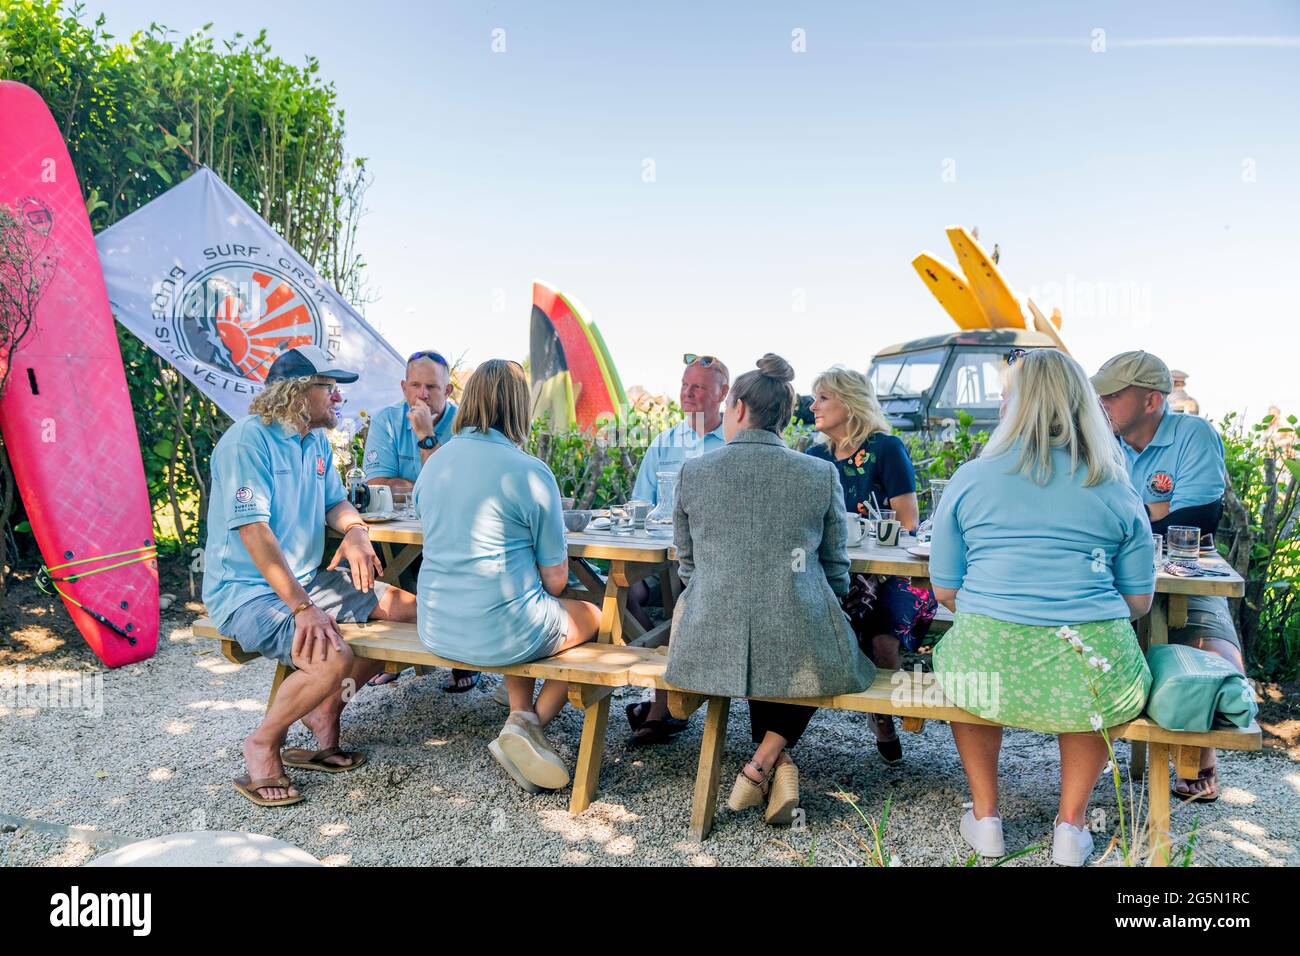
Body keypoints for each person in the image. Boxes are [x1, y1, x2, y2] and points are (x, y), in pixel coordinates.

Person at [928, 348, 1155, 865]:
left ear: (1013, 404)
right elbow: (1138, 601)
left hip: (989, 658)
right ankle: (1071, 828)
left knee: (970, 664)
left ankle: (986, 818)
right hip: (1087, 661)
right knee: (1090, 685)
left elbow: (944, 591)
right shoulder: (1117, 487)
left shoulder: (971, 478)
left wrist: (1003, 610)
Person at [203, 345, 419, 807]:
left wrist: (357, 531)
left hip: (305, 581)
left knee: (408, 613)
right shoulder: (247, 441)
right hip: (248, 593)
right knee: (332, 657)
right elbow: (254, 531)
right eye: (329, 387)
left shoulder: (316, 440)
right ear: (297, 392)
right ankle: (263, 743)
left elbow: (334, 503)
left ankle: (324, 711)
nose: (338, 398)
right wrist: (303, 607)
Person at [665, 354, 876, 826]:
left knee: (775, 643)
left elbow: (688, 564)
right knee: (805, 643)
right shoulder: (818, 474)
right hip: (794, 635)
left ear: (737, 408)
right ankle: (770, 761)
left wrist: (723, 593)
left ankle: (765, 764)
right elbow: (836, 567)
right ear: (785, 417)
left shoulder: (693, 473)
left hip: (705, 640)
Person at [414, 359, 601, 792]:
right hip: (503, 631)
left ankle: (522, 719)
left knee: (520, 599)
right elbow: (555, 581)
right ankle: (526, 724)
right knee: (596, 617)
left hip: (437, 626)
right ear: (519, 408)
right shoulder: (530, 471)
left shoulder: (434, 465)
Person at [1092, 350, 1239, 801]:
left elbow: (1195, 523)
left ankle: (1198, 754)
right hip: (1112, 572)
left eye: (1112, 396)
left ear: (1151, 401)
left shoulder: (1193, 434)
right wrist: (1153, 513)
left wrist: (1129, 516)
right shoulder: (1098, 438)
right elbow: (1086, 516)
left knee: (1211, 649)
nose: (1101, 406)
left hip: (1186, 575)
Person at [806, 366, 938, 764]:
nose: (813, 406)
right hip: (841, 570)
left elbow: (909, 522)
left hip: (895, 571)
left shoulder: (886, 449)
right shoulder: (814, 458)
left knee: (881, 636)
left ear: (849, 402)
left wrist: (872, 559)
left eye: (822, 398)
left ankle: (884, 718)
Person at [624, 353, 730, 744]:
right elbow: (641, 504)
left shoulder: (734, 444)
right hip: (661, 560)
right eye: (685, 384)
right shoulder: (664, 442)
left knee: (686, 602)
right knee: (620, 593)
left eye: (699, 386)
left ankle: (660, 705)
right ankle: (666, 690)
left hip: (707, 564)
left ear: (723, 393)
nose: (688, 392)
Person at [360, 349, 475, 692]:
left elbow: (457, 492)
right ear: (403, 387)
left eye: (432, 387)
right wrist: (429, 486)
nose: (422, 395)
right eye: (415, 386)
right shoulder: (385, 421)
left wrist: (426, 437)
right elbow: (376, 486)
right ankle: (395, 654)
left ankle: (462, 653)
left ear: (449, 391)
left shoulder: (466, 424)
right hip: (397, 534)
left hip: (452, 532)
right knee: (389, 566)